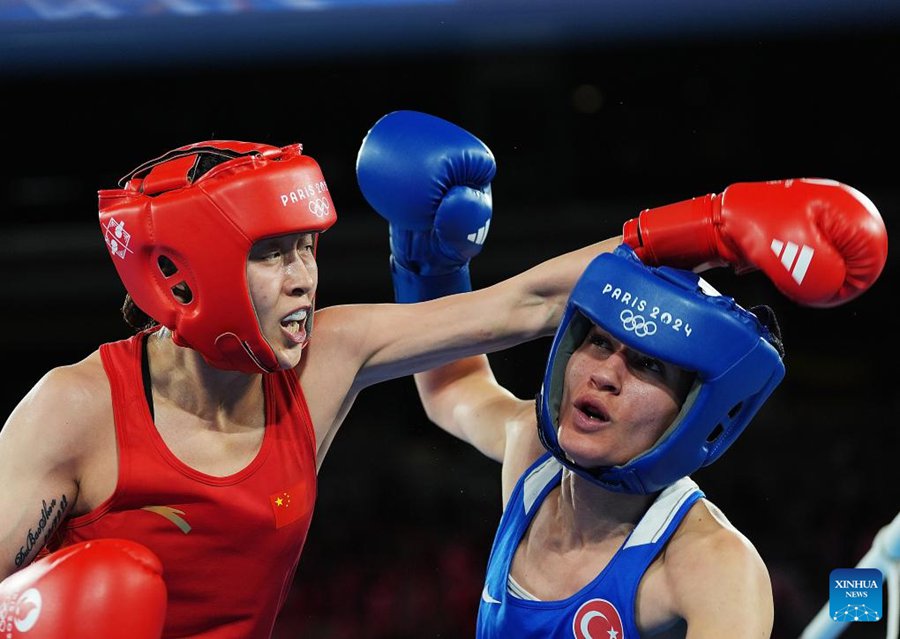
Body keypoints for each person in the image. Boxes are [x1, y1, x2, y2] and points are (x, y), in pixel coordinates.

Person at [0, 111, 634, 639]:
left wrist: (700, 228)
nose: (303, 278)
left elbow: (528, 304)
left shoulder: (326, 358)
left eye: (306, 246)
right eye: (272, 254)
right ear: (182, 274)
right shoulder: (76, 408)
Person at [364, 151, 889, 637]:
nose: (604, 374)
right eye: (597, 342)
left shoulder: (711, 565)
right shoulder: (532, 457)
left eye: (646, 363)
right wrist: (429, 264)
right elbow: (452, 388)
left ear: (690, 411)